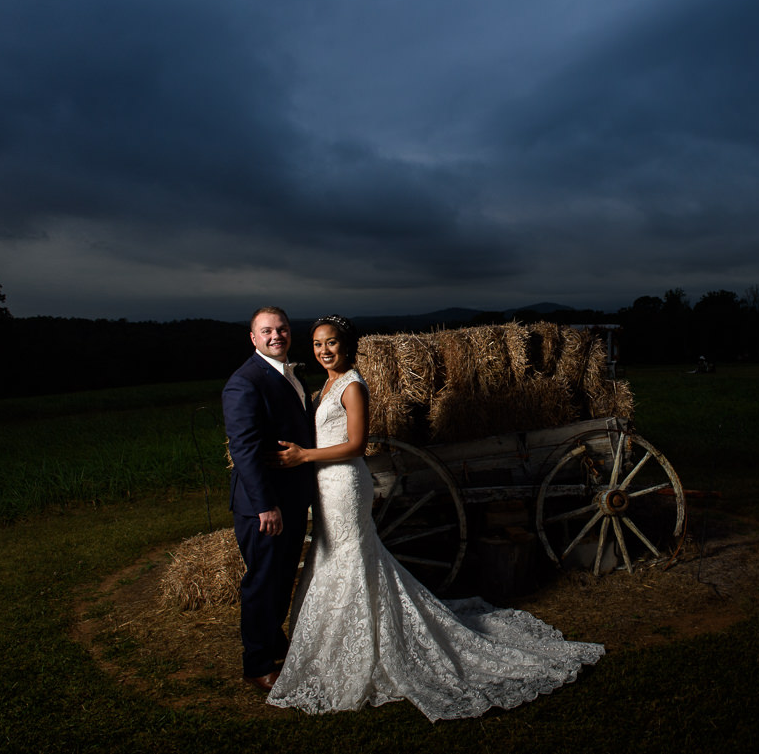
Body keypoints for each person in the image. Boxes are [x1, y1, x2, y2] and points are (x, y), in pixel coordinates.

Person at [266, 314, 604, 722]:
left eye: (331, 342)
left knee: (351, 558)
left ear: (347, 345)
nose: (324, 350)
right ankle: (325, 646)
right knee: (331, 556)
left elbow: (356, 445)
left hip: (344, 483)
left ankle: (367, 644)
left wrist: (304, 456)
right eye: (318, 343)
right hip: (325, 487)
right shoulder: (326, 386)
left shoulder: (353, 385)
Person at [222, 306, 317, 691]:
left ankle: (274, 644)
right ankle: (257, 665)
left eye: (282, 329)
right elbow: (243, 449)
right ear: (253, 338)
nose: (276, 335)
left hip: (290, 498)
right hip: (264, 506)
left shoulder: (286, 374)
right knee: (262, 583)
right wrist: (265, 505)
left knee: (279, 580)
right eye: (267, 331)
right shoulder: (245, 382)